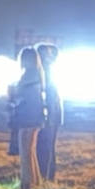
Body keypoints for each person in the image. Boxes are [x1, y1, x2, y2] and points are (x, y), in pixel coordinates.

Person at [10, 47, 47, 189]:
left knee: (25, 150)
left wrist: (14, 98)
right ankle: (36, 180)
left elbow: (24, 96)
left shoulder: (29, 75)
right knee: (30, 150)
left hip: (27, 116)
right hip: (35, 116)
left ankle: (26, 183)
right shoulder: (38, 73)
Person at [36, 44, 63, 181]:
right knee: (49, 146)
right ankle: (48, 175)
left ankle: (45, 175)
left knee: (45, 146)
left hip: (48, 114)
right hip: (53, 113)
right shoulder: (49, 69)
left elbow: (50, 95)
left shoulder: (43, 71)